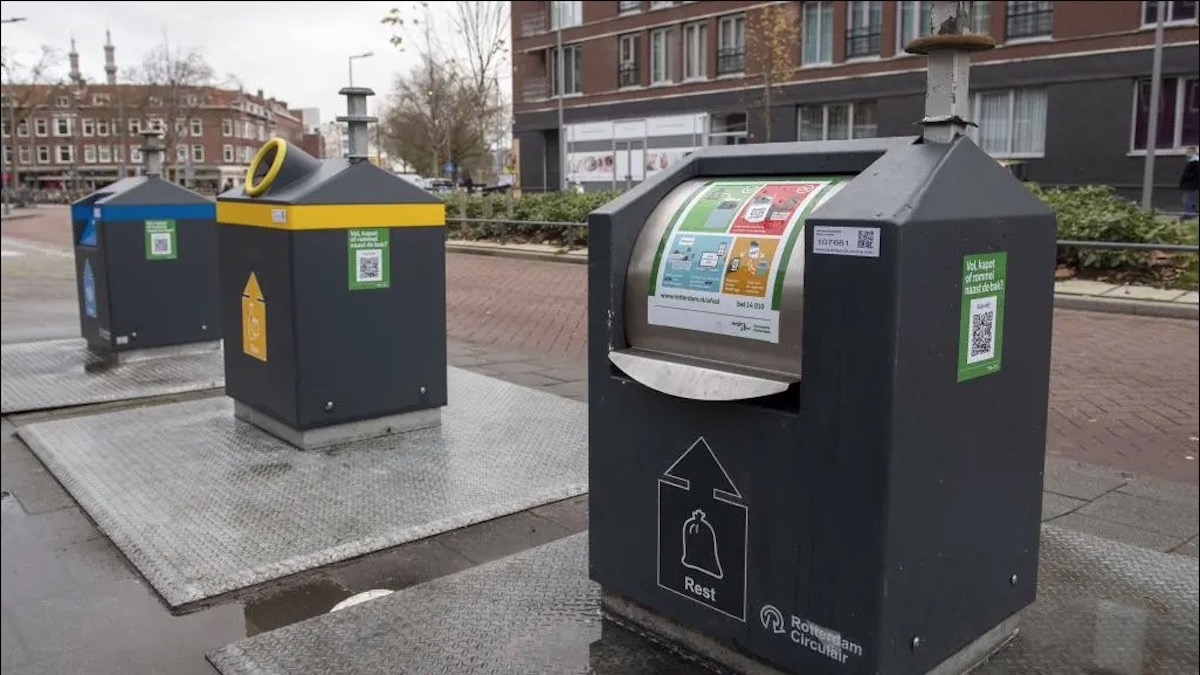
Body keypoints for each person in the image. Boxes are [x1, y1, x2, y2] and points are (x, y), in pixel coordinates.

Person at [1180, 146, 1198, 221]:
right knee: (1188, 199)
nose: (1188, 153)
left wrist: (1187, 177)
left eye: (1190, 152)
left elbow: (1194, 174)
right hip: (1188, 184)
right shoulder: (1190, 161)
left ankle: (1188, 214)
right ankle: (1192, 211)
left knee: (1187, 199)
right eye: (1188, 152)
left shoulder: (1195, 162)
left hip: (1190, 184)